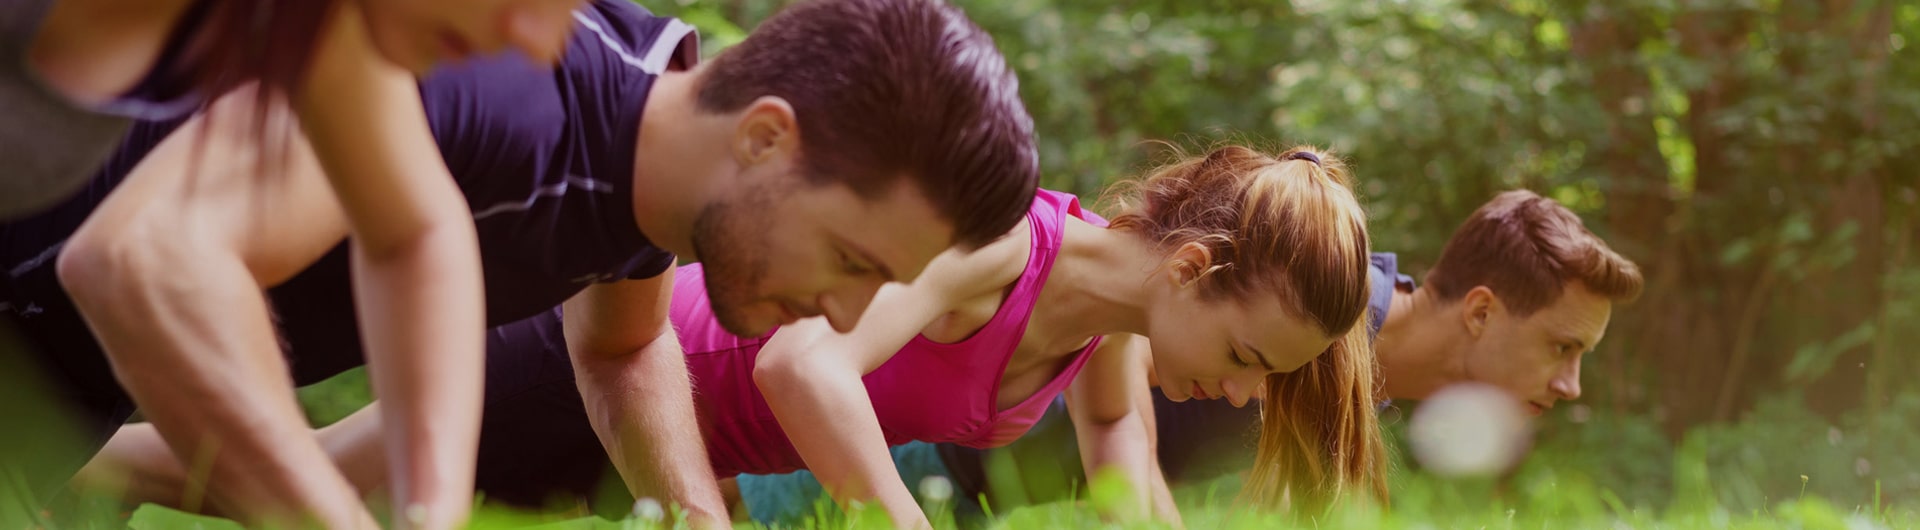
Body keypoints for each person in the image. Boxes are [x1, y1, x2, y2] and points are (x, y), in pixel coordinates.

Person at [2, 0, 1038, 526]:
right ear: (765, 138)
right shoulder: (502, 85)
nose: (844, 311)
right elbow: (152, 260)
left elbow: (618, 349)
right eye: (853, 257)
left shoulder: (647, 181)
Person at [83, 145, 1387, 528]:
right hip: (616, 364)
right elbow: (799, 358)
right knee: (306, 489)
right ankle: (87, 454)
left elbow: (1123, 461)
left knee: (310, 480)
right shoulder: (1006, 243)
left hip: (678, 455)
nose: (1238, 388)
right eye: (1252, 355)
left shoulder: (1115, 335)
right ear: (1197, 266)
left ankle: (97, 466)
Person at [730, 189, 1645, 525]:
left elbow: (1126, 451)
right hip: (885, 444)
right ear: (1481, 312)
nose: (1568, 385)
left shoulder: (1352, 371)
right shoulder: (1314, 323)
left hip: (961, 489)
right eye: (1563, 347)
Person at [4, 0, 582, 525]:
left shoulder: (322, 26)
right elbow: (128, 259)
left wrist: (431, 511)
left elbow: (415, 230)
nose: (538, 43)